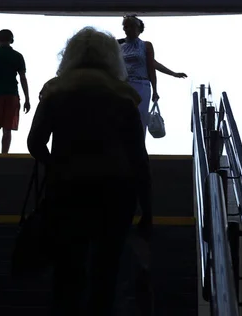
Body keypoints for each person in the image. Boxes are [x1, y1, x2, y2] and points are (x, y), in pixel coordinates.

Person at [28, 27, 152, 316]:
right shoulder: (124, 95)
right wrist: (147, 209)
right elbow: (138, 157)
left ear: (69, 55)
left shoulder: (55, 90)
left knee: (68, 266)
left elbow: (35, 143)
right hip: (116, 192)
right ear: (113, 58)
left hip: (66, 189)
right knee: (106, 269)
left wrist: (55, 163)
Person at [120, 15, 186, 135]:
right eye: (126, 26)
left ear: (139, 28)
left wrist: (158, 88)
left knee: (140, 118)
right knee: (123, 118)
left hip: (141, 85)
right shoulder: (119, 45)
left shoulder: (145, 45)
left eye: (132, 26)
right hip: (125, 86)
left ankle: (139, 149)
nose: (128, 29)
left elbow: (152, 66)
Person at [0, 29, 30, 154]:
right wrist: (27, 99)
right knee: (7, 128)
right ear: (11, 40)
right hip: (12, 94)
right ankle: (4, 154)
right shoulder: (18, 56)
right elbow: (23, 78)